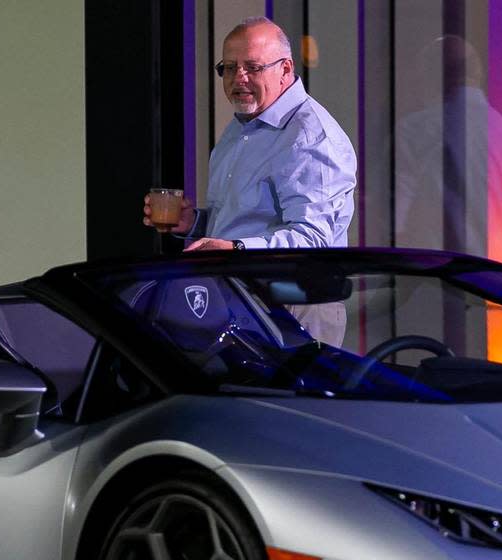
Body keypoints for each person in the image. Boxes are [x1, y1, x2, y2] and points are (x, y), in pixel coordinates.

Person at [143, 17, 357, 344]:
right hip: (238, 301)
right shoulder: (243, 126)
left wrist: (235, 249)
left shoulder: (310, 137)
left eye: (252, 67)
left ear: (285, 69)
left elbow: (315, 241)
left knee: (281, 399)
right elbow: (246, 221)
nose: (238, 78)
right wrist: (196, 224)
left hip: (294, 307)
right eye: (229, 68)